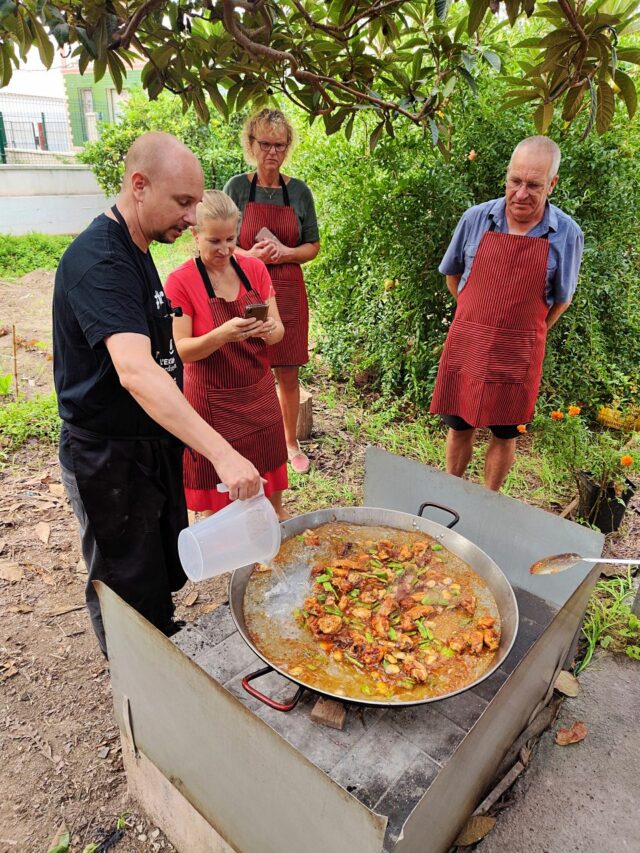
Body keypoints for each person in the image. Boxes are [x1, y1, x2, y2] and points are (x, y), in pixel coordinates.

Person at [53, 132, 261, 656]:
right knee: (122, 573)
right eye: (183, 202)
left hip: (145, 442)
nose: (193, 218)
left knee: (154, 560)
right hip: (105, 450)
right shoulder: (101, 261)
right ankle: (136, 675)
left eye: (196, 202)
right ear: (139, 185)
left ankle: (161, 640)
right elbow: (137, 373)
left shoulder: (139, 244)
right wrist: (222, 452)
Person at [430, 136, 584, 491]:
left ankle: (488, 502)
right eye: (516, 181)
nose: (521, 193)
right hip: (468, 341)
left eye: (534, 184)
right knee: (459, 426)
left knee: (504, 433)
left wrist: (522, 333)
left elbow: (561, 299)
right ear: (507, 176)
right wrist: (475, 318)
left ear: (552, 184)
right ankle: (451, 492)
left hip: (518, 353)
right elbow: (453, 276)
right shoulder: (475, 219)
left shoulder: (567, 234)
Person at [164, 191, 289, 519]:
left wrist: (268, 330)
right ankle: (231, 561)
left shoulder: (254, 270)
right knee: (221, 505)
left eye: (231, 239)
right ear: (195, 234)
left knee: (271, 494)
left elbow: (278, 331)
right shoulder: (180, 282)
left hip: (260, 398)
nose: (224, 249)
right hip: (212, 407)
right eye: (214, 240)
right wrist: (224, 334)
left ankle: (271, 552)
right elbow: (183, 350)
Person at [224, 109, 320, 474]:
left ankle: (289, 442)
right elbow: (220, 243)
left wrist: (286, 253)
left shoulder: (298, 192)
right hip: (246, 288)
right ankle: (248, 439)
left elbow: (313, 245)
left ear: (288, 147)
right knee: (246, 366)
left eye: (279, 145)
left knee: (288, 371)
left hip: (289, 289)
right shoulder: (236, 188)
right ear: (251, 144)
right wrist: (248, 255)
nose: (272, 153)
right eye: (265, 144)